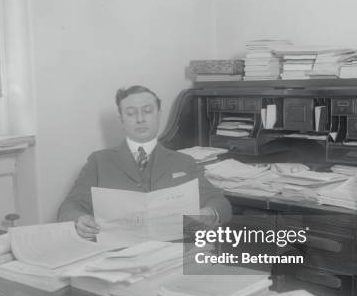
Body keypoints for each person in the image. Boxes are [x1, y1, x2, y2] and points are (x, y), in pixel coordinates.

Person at [57, 85, 232, 240]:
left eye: (147, 111)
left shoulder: (184, 162)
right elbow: (69, 207)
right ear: (122, 120)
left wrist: (209, 214)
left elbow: (220, 203)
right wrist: (79, 220)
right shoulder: (99, 161)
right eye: (131, 113)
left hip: (173, 253)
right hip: (116, 255)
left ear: (159, 115)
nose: (140, 119)